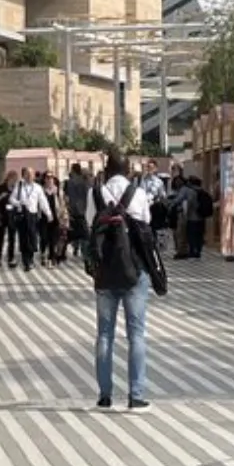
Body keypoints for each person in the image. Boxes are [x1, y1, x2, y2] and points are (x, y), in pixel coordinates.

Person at [91, 152, 158, 412]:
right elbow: (146, 226)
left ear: (107, 169)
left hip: (105, 272)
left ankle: (105, 395)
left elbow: (90, 225)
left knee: (104, 334)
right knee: (136, 334)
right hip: (135, 271)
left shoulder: (95, 193)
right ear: (128, 170)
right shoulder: (138, 193)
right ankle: (137, 395)